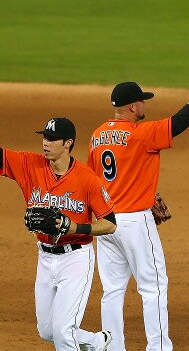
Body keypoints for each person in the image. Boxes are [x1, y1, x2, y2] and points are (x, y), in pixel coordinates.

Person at [87, 57, 189, 350]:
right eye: (142, 102)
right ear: (133, 107)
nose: (145, 105)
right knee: (153, 287)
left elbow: (92, 182)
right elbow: (183, 119)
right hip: (135, 222)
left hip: (105, 224)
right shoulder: (141, 133)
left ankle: (112, 346)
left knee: (112, 290)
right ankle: (158, 348)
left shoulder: (96, 137)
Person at [1, 117, 116, 351]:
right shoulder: (29, 164)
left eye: (52, 139)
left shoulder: (87, 179)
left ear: (68, 143)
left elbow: (110, 224)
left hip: (75, 260)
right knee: (47, 331)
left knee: (63, 332)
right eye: (45, 137)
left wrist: (75, 228)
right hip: (44, 258)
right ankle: (97, 342)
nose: (45, 143)